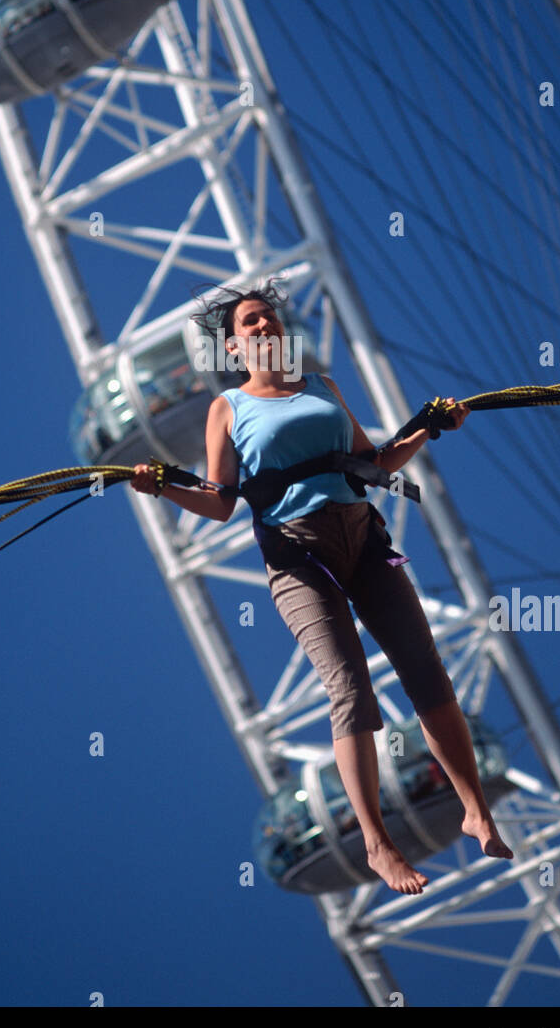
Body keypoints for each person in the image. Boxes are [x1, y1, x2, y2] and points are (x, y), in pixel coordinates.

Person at [131, 283, 513, 895]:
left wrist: (433, 426)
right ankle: (377, 844)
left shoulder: (320, 387)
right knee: (351, 690)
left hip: (363, 538)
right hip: (297, 555)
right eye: (251, 322)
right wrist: (160, 486)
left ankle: (474, 808)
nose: (264, 327)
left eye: (269, 319)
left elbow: (376, 464)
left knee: (426, 673)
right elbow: (220, 502)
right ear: (233, 344)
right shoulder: (227, 407)